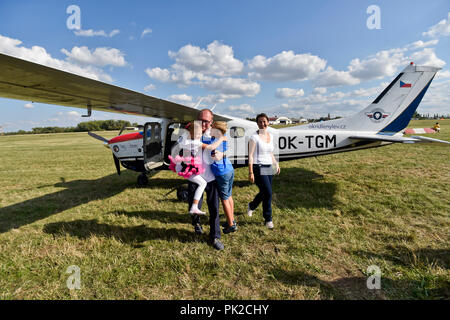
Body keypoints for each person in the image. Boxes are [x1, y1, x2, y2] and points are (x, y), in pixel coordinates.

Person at [186, 109, 224, 250]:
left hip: (212, 177)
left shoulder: (215, 134)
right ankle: (196, 224)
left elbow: (223, 150)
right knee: (195, 203)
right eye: (201, 120)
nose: (203, 124)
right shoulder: (190, 133)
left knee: (214, 207)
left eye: (206, 121)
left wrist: (222, 154)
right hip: (195, 176)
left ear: (211, 122)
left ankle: (215, 236)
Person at [168, 121, 225, 215]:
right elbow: (211, 147)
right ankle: (194, 207)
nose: (199, 135)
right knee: (203, 183)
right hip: (187, 169)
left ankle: (194, 207)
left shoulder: (184, 138)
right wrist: (221, 139)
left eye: (200, 133)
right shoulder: (194, 143)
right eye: (197, 133)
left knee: (202, 183)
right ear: (191, 133)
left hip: (183, 166)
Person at [247, 113, 280, 229]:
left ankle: (252, 205)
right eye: (260, 122)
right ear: (257, 124)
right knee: (268, 193)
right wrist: (250, 172)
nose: (263, 124)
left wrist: (276, 163)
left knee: (265, 192)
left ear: (268, 122)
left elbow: (270, 152)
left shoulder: (270, 136)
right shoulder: (253, 137)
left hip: (269, 166)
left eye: (264, 121)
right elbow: (250, 156)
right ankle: (268, 219)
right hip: (258, 166)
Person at [209, 121, 236, 234]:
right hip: (229, 169)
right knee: (229, 196)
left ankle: (230, 225)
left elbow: (213, 153)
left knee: (224, 199)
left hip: (221, 172)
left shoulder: (213, 141)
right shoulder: (224, 139)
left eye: (212, 127)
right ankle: (232, 219)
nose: (210, 129)